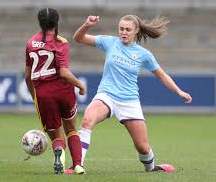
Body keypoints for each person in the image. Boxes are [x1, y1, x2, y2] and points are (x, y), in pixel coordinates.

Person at [72, 15, 192, 172]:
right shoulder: (110, 42)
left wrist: (179, 91)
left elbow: (162, 75)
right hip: (106, 95)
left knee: (142, 147)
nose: (124, 32)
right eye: (121, 29)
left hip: (129, 101)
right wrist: (87, 25)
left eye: (128, 29)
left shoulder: (144, 54)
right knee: (87, 120)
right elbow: (78, 38)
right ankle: (77, 165)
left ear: (136, 30)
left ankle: (151, 168)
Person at [25, 8, 86, 175]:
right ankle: (78, 165)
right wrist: (80, 85)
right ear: (56, 22)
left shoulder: (30, 43)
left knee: (56, 133)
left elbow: (28, 77)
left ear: (40, 22)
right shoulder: (61, 42)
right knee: (71, 129)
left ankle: (59, 152)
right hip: (63, 91)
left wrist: (34, 96)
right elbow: (64, 73)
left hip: (43, 93)